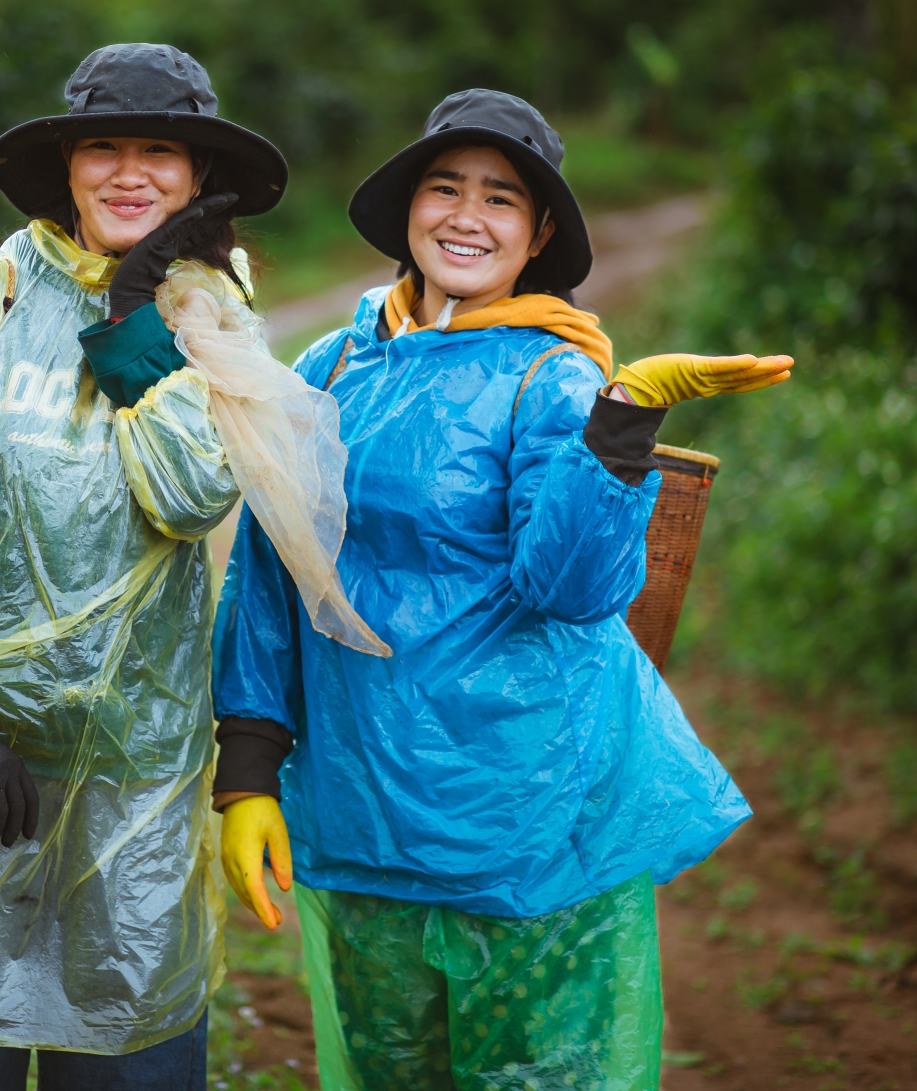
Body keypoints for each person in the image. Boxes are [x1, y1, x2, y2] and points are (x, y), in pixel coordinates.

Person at [210, 90, 793, 1091]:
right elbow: (270, 573)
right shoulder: (333, 362)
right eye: (445, 188)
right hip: (360, 811)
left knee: (542, 1073)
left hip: (524, 814)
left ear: (539, 234)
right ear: (407, 209)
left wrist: (621, 419)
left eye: (501, 199)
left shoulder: (552, 377)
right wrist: (249, 767)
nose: (467, 217)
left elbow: (569, 587)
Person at [0, 43, 330, 1091]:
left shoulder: (210, 315)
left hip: (135, 781)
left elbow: (189, 494)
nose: (130, 172)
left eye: (161, 151)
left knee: (128, 1053)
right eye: (104, 146)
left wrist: (138, 310)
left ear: (198, 180)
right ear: (67, 166)